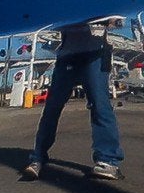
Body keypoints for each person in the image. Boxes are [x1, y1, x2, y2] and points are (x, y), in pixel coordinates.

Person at [23, 18, 122, 180]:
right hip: (67, 55)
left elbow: (116, 20)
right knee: (52, 108)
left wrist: (110, 21)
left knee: (99, 104)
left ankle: (108, 160)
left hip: (95, 53)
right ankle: (38, 157)